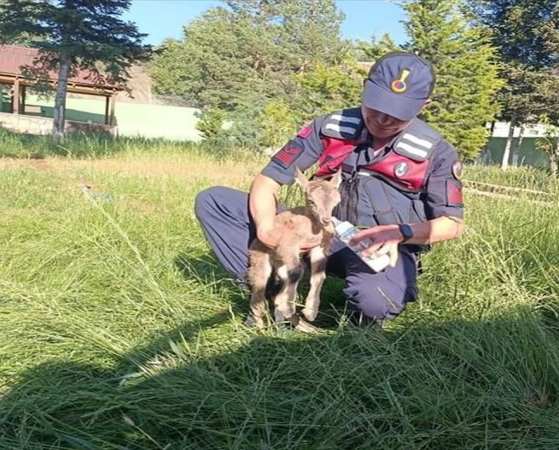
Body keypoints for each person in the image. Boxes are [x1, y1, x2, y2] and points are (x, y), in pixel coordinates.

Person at [194, 51, 465, 327]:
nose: (383, 119)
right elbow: (268, 180)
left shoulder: (435, 151)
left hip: (374, 243)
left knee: (378, 299)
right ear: (364, 89)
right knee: (214, 201)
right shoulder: (331, 127)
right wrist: (266, 227)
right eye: (376, 105)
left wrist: (398, 232)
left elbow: (452, 224)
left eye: (397, 113)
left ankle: (360, 315)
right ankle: (269, 290)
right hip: (317, 227)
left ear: (424, 105)